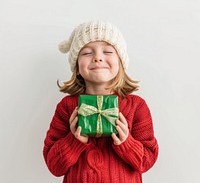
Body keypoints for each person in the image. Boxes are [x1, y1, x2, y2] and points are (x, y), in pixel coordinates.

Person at [43, 20, 159, 183]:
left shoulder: (136, 106)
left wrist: (127, 143)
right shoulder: (67, 107)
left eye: (107, 51)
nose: (97, 57)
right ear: (76, 64)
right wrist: (74, 141)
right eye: (87, 52)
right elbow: (54, 165)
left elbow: (147, 160)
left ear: (120, 61)